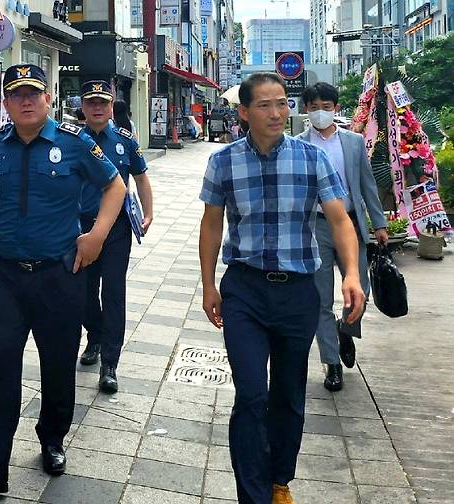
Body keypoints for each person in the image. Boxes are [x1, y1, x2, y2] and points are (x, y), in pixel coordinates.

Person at [198, 72, 366, 504]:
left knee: (288, 394)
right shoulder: (224, 161)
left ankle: (279, 482)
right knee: (251, 393)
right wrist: (207, 285)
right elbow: (212, 224)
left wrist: (350, 273)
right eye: (265, 105)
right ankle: (252, 495)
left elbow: (340, 219)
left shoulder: (312, 159)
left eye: (282, 103)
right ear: (244, 112)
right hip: (245, 291)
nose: (277, 113)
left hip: (297, 292)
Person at [0, 65, 126, 494]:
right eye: (17, 95)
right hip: (8, 277)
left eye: (34, 92)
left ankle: (52, 439)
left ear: (48, 97)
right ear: (7, 102)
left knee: (56, 365)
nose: (26, 101)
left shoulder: (74, 143)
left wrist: (97, 236)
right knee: (1, 367)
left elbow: (115, 188)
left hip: (59, 275)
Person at [298, 82, 388, 391]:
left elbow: (366, 185)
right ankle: (332, 363)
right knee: (320, 298)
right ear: (305, 110)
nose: (319, 112)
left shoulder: (353, 142)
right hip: (317, 226)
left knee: (359, 290)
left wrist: (379, 224)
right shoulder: (299, 144)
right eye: (313, 107)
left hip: (350, 224)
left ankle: (346, 330)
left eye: (325, 105)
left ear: (336, 108)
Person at [77, 80, 153, 392]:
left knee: (113, 293)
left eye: (103, 102)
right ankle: (94, 334)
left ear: (111, 107)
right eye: (91, 102)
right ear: (82, 107)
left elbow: (141, 177)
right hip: (79, 227)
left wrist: (148, 212)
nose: (97, 107)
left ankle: (110, 362)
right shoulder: (71, 140)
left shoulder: (124, 141)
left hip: (116, 228)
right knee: (81, 292)